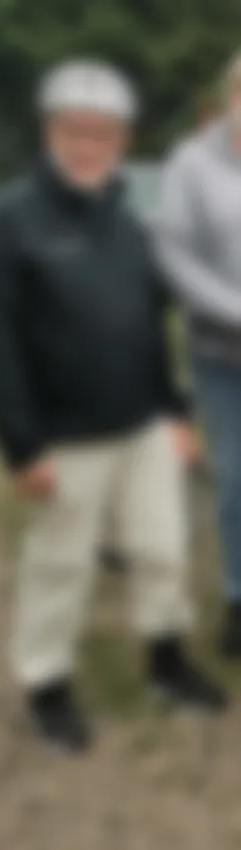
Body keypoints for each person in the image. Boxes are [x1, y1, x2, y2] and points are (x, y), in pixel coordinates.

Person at [0, 60, 227, 752]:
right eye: (77, 131)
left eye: (105, 133)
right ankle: (46, 685)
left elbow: (149, 326)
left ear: (120, 138)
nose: (90, 145)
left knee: (163, 550)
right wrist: (21, 448)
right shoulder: (6, 225)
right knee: (62, 565)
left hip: (141, 426)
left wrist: (173, 414)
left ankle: (167, 662)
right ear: (51, 131)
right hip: (62, 438)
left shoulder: (128, 220)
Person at [153, 49, 241, 657]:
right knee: (234, 480)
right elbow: (177, 256)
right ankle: (237, 598)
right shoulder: (194, 163)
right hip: (222, 355)